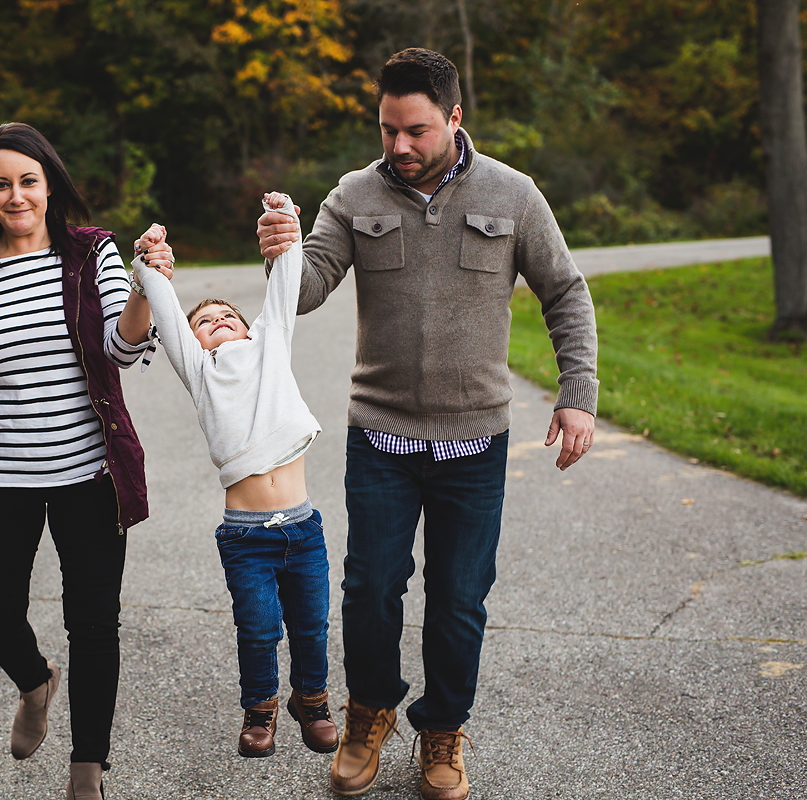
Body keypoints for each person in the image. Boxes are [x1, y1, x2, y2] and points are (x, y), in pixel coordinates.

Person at [257, 49, 598, 800]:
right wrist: (283, 254)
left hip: (476, 442)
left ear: (454, 117)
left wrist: (578, 392)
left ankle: (442, 730)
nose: (399, 146)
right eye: (387, 130)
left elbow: (565, 293)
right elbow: (309, 288)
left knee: (459, 596)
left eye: (415, 130)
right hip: (381, 434)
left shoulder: (514, 194)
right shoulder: (353, 194)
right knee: (371, 587)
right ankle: (370, 713)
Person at [0, 122, 173, 800]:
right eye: (1, 184)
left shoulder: (90, 254)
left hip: (88, 474)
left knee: (94, 621)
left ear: (49, 186)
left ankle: (88, 771)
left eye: (27, 181)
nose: (15, 196)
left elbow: (123, 348)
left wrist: (145, 286)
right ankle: (34, 680)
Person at [130, 197, 338, 759]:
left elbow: (282, 287)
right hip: (246, 535)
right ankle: (260, 712)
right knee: (259, 628)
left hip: (303, 527)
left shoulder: (270, 347)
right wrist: (149, 262)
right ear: (193, 343)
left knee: (312, 626)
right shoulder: (200, 372)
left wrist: (288, 224)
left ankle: (313, 701)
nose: (217, 320)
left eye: (228, 316)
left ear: (250, 329)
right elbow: (169, 318)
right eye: (206, 322)